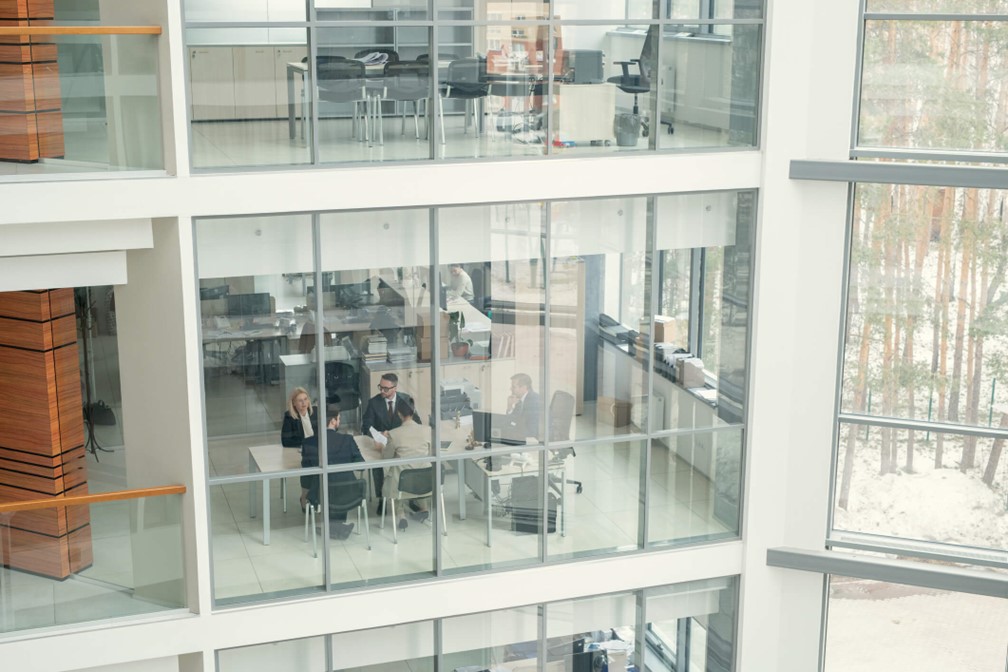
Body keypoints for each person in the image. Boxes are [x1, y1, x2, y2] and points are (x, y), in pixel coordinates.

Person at [300, 412, 365, 541]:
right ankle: (336, 527)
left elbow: (306, 474)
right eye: (339, 419)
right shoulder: (347, 439)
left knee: (326, 485)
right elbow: (361, 466)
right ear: (333, 421)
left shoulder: (308, 443)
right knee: (339, 483)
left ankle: (333, 527)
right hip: (349, 494)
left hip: (321, 495)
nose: (339, 422)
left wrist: (305, 495)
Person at [360, 372, 420, 514]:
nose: (382, 391)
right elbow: (366, 425)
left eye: (385, 389)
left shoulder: (405, 400)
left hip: (402, 445)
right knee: (378, 465)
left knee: (412, 461)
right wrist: (376, 434)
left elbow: (417, 422)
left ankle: (412, 497)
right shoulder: (374, 402)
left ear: (394, 388)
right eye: (380, 387)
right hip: (382, 445)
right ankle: (382, 499)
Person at [381, 402, 432, 531]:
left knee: (396, 473)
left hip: (402, 486)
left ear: (399, 414)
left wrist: (383, 443)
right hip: (426, 483)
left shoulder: (394, 434)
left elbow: (386, 457)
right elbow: (431, 453)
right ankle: (424, 508)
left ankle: (401, 515)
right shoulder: (427, 430)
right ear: (413, 411)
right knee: (419, 468)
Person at [505, 372, 541, 441]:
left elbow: (531, 431)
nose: (510, 389)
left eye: (513, 387)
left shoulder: (534, 402)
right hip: (525, 437)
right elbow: (512, 421)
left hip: (535, 441)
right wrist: (509, 407)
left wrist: (510, 434)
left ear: (524, 387)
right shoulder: (522, 400)